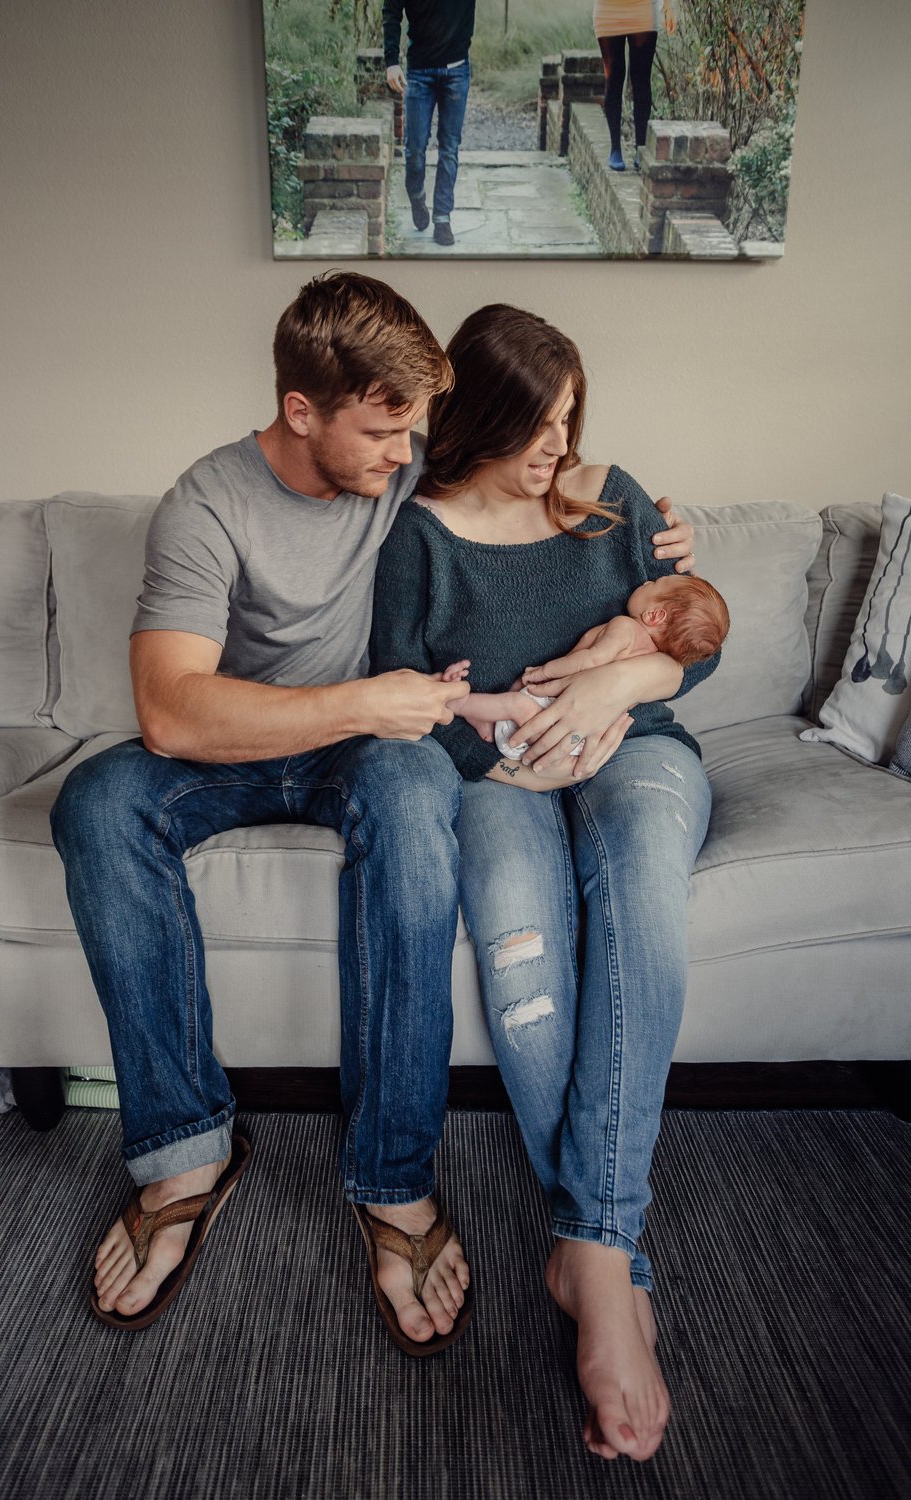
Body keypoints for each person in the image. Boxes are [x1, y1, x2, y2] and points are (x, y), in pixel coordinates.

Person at [49, 271, 478, 1350]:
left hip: (363, 759)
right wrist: (359, 701)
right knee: (99, 800)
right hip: (241, 753)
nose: (402, 454)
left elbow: (543, 470)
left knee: (419, 787)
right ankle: (187, 1147)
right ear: (301, 411)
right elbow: (171, 713)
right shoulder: (205, 502)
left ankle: (391, 1175)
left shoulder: (409, 458)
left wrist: (645, 532)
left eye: (411, 428)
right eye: (383, 430)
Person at [369, 302, 717, 1460]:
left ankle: (595, 1256)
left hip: (640, 756)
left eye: (569, 418)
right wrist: (510, 742)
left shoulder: (613, 496)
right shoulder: (415, 534)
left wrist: (617, 690)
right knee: (520, 949)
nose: (556, 448)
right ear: (474, 417)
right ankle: (602, 1256)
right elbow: (400, 702)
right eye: (534, 424)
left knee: (641, 904)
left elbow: (692, 637)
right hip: (496, 783)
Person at [442, 572, 729, 756]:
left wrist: (543, 671)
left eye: (654, 584)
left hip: (558, 718)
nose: (645, 581)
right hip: (585, 741)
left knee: (518, 701)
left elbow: (591, 660)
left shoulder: (625, 628)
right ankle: (486, 721)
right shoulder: (654, 657)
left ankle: (452, 701)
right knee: (516, 698)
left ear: (654, 615)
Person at [383, 0, 476, 247]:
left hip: (457, 72)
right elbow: (391, 11)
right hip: (419, 72)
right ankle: (416, 195)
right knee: (414, 149)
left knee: (449, 147)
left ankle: (442, 219)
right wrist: (391, 61)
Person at [593, 1, 661, 172]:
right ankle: (615, 148)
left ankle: (640, 148)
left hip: (642, 7)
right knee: (614, 77)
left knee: (641, 79)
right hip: (608, 8)